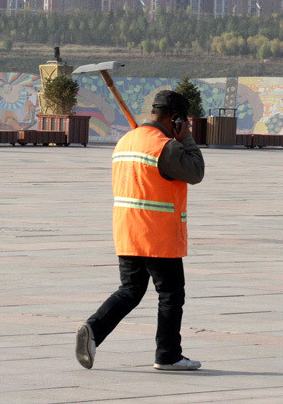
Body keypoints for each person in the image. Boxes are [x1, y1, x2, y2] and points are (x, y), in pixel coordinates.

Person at [76, 90, 206, 371]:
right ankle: (168, 355)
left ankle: (93, 330)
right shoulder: (165, 146)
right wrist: (187, 139)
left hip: (127, 230)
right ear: (177, 119)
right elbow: (195, 172)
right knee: (171, 294)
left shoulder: (126, 140)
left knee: (131, 290)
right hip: (157, 234)